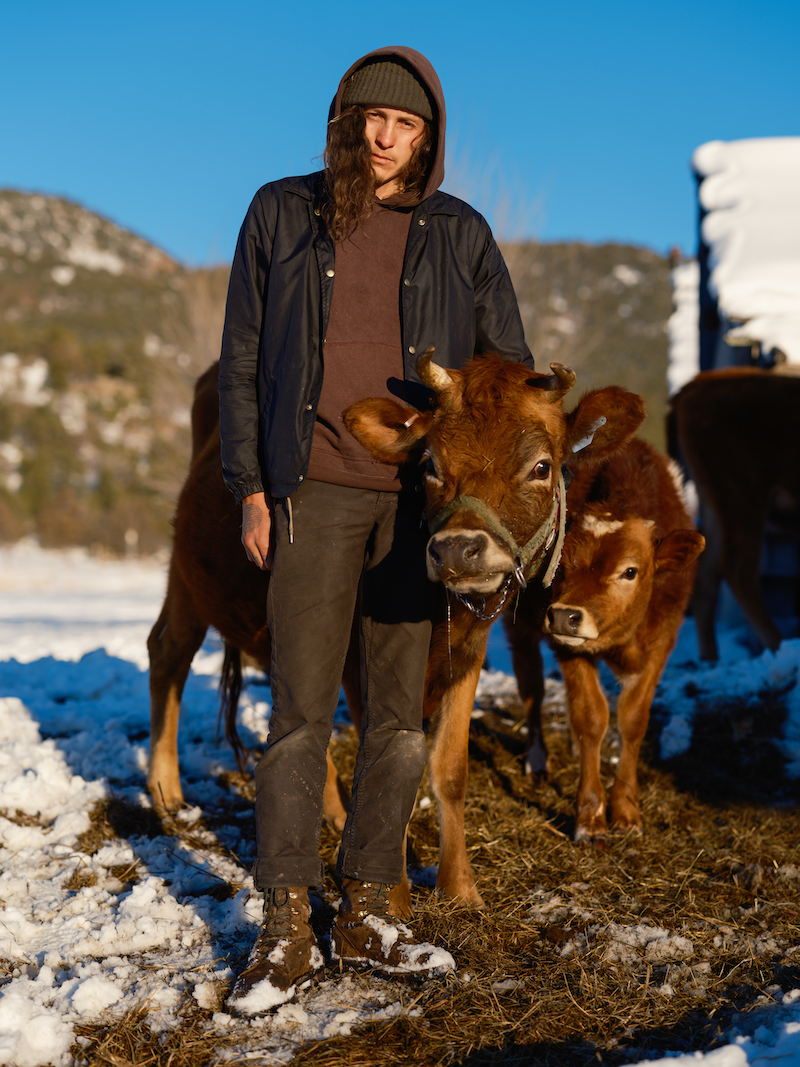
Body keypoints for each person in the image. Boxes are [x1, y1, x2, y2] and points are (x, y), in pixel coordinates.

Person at [218, 45, 533, 1012]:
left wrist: (491, 491)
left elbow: (506, 372)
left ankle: (365, 912)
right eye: (371, 119)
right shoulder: (281, 210)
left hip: (418, 509)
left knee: (398, 717)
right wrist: (252, 486)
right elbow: (239, 358)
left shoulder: (462, 233)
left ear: (428, 137)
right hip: (312, 487)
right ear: (344, 120)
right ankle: (283, 927)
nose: (385, 139)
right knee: (302, 713)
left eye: (406, 125)